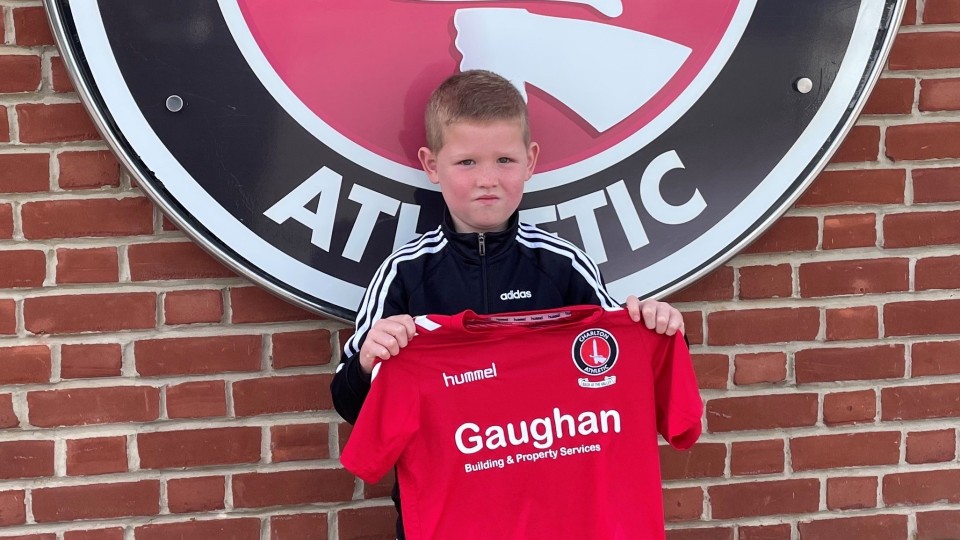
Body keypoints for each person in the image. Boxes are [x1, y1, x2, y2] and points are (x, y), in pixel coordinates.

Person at [330, 69, 685, 538]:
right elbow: (349, 401)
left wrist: (652, 327)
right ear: (431, 165)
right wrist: (368, 362)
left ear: (531, 160)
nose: (488, 180)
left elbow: (617, 371)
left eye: (504, 160)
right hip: (446, 517)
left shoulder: (562, 265)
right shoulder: (405, 273)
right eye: (467, 163)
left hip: (561, 517)